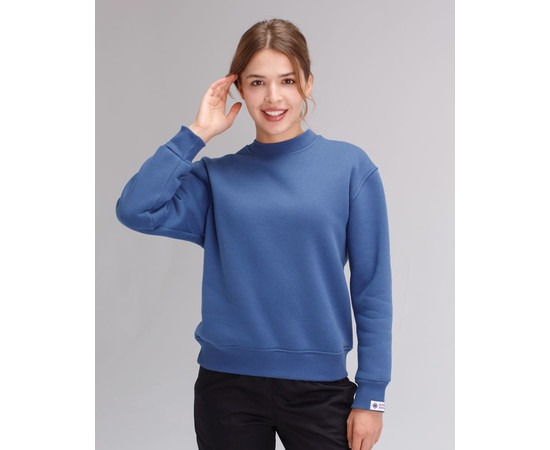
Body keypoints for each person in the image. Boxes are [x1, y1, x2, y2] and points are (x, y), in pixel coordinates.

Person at [115, 18, 392, 450]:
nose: (273, 97)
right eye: (257, 82)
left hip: (319, 389)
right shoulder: (216, 179)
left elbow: (372, 287)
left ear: (308, 83)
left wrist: (372, 394)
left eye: (287, 80)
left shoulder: (350, 168)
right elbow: (135, 208)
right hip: (227, 388)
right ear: (239, 90)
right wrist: (197, 134)